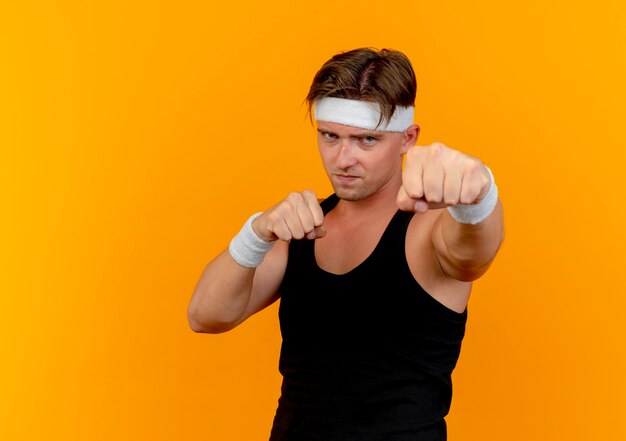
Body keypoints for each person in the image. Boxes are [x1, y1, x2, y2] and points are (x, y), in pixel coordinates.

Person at [188, 48, 504, 440]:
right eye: (330, 136)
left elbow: (473, 255)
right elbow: (206, 316)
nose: (343, 158)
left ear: (408, 138)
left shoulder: (429, 231)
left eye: (366, 139)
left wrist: (479, 195)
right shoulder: (302, 228)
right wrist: (255, 233)